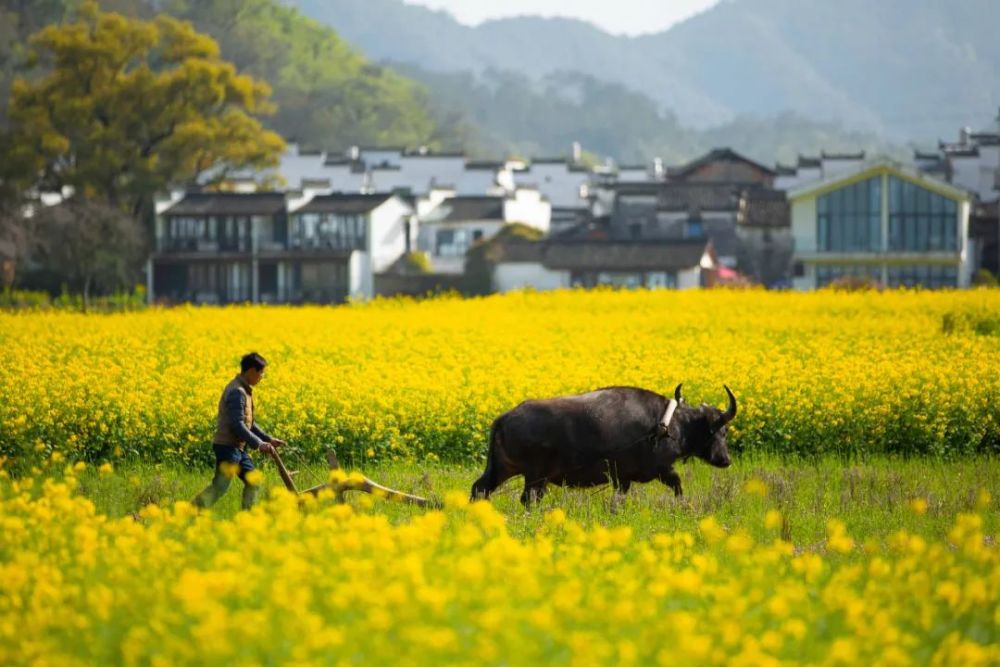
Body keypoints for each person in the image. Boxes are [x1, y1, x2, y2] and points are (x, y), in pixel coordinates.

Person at [193, 352, 286, 510]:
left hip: (237, 448)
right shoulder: (237, 392)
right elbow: (237, 424)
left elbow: (250, 424)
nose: (262, 376)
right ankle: (191, 511)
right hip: (228, 447)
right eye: (261, 372)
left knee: (254, 481)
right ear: (251, 371)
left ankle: (247, 518)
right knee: (220, 486)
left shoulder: (244, 390)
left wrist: (268, 440)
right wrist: (259, 444)